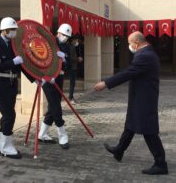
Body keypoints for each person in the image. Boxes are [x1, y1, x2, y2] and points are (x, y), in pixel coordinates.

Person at [93, 31, 168, 175]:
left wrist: (106, 83)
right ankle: (119, 150)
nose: (129, 46)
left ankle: (161, 163)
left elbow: (128, 73)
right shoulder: (147, 53)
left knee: (149, 131)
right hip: (140, 97)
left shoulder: (145, 56)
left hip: (144, 99)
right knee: (131, 124)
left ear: (136, 43)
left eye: (129, 43)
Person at [0, 17, 33, 159]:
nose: (14, 32)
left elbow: (21, 65)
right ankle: (7, 148)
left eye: (15, 30)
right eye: (11, 30)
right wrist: (12, 62)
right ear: (4, 30)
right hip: (0, 84)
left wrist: (35, 79)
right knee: (9, 115)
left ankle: (2, 146)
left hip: (12, 84)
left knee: (6, 116)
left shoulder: (14, 45)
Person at [38, 23, 72, 149]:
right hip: (49, 79)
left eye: (67, 36)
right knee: (56, 106)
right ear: (58, 33)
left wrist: (64, 60)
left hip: (60, 78)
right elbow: (41, 59)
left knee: (53, 106)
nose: (65, 38)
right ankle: (62, 135)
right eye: (63, 35)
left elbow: (68, 66)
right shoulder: (49, 42)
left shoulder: (66, 47)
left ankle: (42, 134)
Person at [68, 36, 79, 104]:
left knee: (73, 83)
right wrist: (78, 59)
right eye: (76, 40)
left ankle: (71, 97)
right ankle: (70, 98)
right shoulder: (71, 48)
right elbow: (71, 58)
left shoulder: (72, 47)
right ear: (72, 40)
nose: (77, 41)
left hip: (73, 67)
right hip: (72, 67)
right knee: (72, 83)